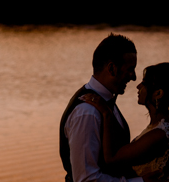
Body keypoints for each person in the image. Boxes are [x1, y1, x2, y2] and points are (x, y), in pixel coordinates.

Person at [80, 62, 169, 182]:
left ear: (158, 93)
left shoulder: (159, 134)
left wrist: (107, 114)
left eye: (144, 83)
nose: (138, 86)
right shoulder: (163, 124)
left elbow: (111, 159)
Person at [60, 33, 142, 182]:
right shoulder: (87, 112)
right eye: (130, 69)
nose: (134, 77)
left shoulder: (105, 101)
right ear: (112, 68)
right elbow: (86, 178)